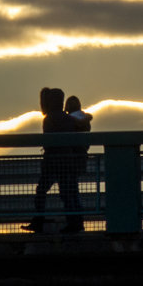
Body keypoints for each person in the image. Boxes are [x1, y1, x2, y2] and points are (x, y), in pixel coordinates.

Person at [22, 87, 84, 234]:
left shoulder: (49, 119)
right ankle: (75, 223)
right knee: (68, 193)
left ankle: (39, 221)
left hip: (52, 162)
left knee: (41, 191)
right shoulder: (69, 119)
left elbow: (48, 143)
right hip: (67, 162)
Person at [65, 95, 93, 174]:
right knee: (74, 180)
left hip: (70, 157)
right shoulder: (86, 118)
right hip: (83, 154)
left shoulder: (67, 119)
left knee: (69, 180)